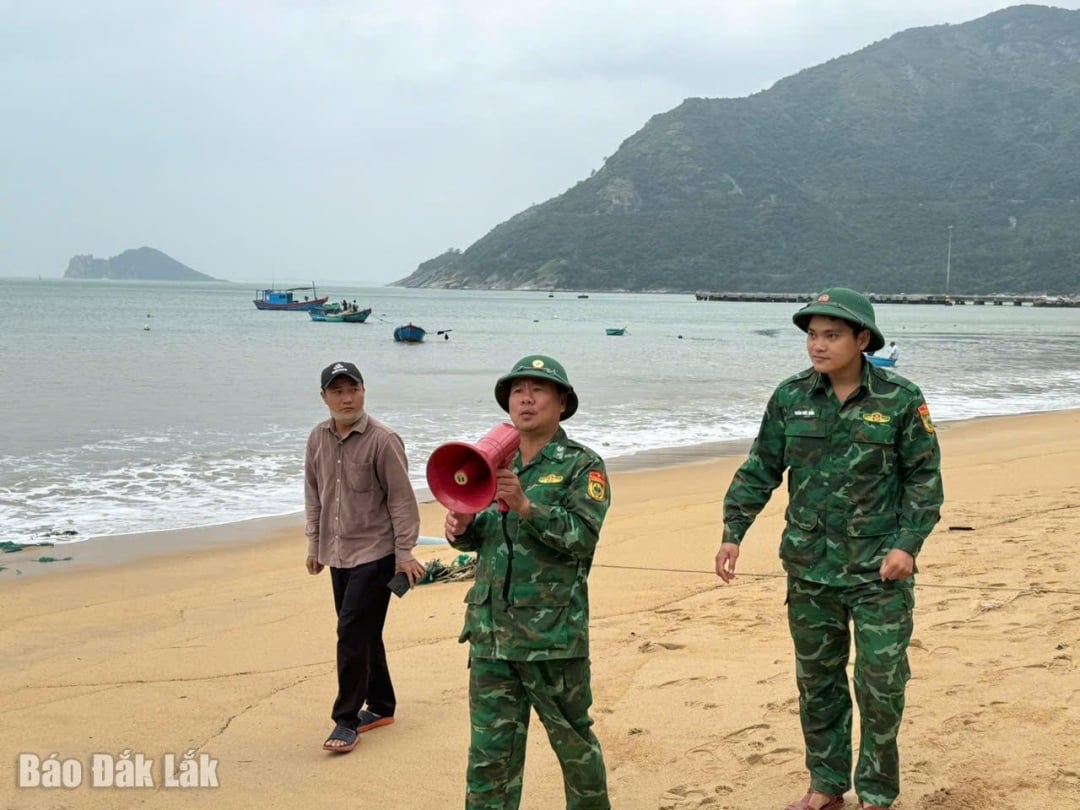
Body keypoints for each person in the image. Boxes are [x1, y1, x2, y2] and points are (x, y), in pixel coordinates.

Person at [714, 289, 943, 810]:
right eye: (813, 335)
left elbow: (925, 480)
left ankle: (878, 794)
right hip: (810, 569)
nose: (818, 345)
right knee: (818, 686)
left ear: (862, 339)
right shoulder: (791, 396)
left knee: (881, 685)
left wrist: (907, 545)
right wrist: (734, 530)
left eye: (832, 335)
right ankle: (826, 786)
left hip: (879, 572)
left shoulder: (901, 399)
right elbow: (761, 468)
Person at [444, 355, 612, 810]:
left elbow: (581, 537)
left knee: (574, 747)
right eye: (518, 390)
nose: (526, 398)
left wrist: (526, 506)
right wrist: (460, 528)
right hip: (490, 636)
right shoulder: (493, 460)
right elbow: (482, 537)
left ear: (562, 402)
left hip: (551, 638)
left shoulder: (582, 465)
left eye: (539, 389)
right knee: (489, 757)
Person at [305, 360, 425, 754]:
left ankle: (345, 719)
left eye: (352, 389)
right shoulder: (317, 439)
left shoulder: (383, 439)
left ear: (363, 391)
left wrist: (405, 553)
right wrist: (314, 545)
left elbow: (402, 502)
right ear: (324, 397)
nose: (346, 398)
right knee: (364, 631)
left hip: (376, 552)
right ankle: (383, 705)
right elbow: (314, 494)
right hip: (337, 553)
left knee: (351, 633)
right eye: (337, 391)